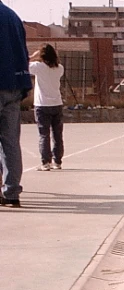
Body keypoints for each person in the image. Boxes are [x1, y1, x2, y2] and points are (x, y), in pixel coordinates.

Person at [0, 0, 32, 207]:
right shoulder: (12, 16)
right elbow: (23, 51)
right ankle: (12, 192)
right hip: (13, 84)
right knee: (11, 142)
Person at [29, 44, 65, 171]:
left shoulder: (38, 67)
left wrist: (33, 57)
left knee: (44, 134)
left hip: (42, 104)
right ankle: (58, 161)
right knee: (58, 135)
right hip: (57, 103)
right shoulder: (60, 68)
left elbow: (24, 64)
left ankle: (45, 162)